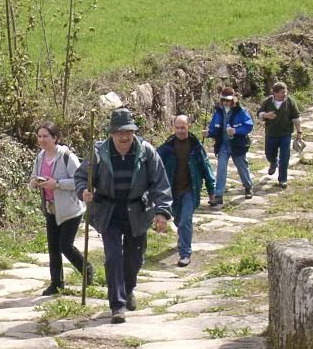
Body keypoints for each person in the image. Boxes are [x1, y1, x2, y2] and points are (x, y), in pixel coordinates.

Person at [74, 108, 172, 324]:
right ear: (111, 134)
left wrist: (162, 211)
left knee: (134, 257)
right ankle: (117, 305)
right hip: (108, 210)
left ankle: (128, 288)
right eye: (119, 132)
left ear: (134, 132)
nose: (125, 137)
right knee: (113, 257)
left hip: (137, 210)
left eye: (128, 132)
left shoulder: (146, 151)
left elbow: (160, 182)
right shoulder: (98, 152)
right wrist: (84, 191)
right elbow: (81, 176)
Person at [29, 122, 93, 295]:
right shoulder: (40, 157)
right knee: (53, 248)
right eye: (39, 136)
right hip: (51, 208)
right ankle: (56, 283)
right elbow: (33, 178)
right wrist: (35, 182)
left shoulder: (67, 157)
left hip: (71, 209)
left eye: (45, 136)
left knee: (65, 245)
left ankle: (87, 270)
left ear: (55, 138)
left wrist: (56, 184)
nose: (42, 140)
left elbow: (79, 181)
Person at [157, 115, 215, 268]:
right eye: (177, 128)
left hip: (190, 189)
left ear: (189, 126)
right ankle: (182, 239)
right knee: (178, 220)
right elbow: (153, 165)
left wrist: (211, 190)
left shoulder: (196, 147)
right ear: (173, 127)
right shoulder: (166, 148)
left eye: (183, 127)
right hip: (172, 191)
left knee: (185, 221)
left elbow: (206, 167)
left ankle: (185, 253)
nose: (180, 131)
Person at [207, 86, 255, 205]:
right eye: (223, 100)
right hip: (223, 145)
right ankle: (219, 195)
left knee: (242, 166)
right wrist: (208, 133)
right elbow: (213, 127)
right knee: (221, 168)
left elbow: (249, 125)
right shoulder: (218, 112)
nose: (225, 102)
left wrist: (236, 131)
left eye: (228, 100)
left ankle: (248, 187)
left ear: (233, 99)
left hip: (237, 144)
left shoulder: (241, 111)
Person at [257, 81, 303, 189]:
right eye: (282, 92)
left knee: (284, 157)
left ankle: (282, 180)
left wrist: (299, 132)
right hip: (271, 134)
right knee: (269, 154)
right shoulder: (268, 101)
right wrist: (266, 115)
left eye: (285, 92)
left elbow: (296, 117)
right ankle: (273, 162)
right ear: (275, 93)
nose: (285, 94)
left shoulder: (290, 101)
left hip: (285, 134)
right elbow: (259, 114)